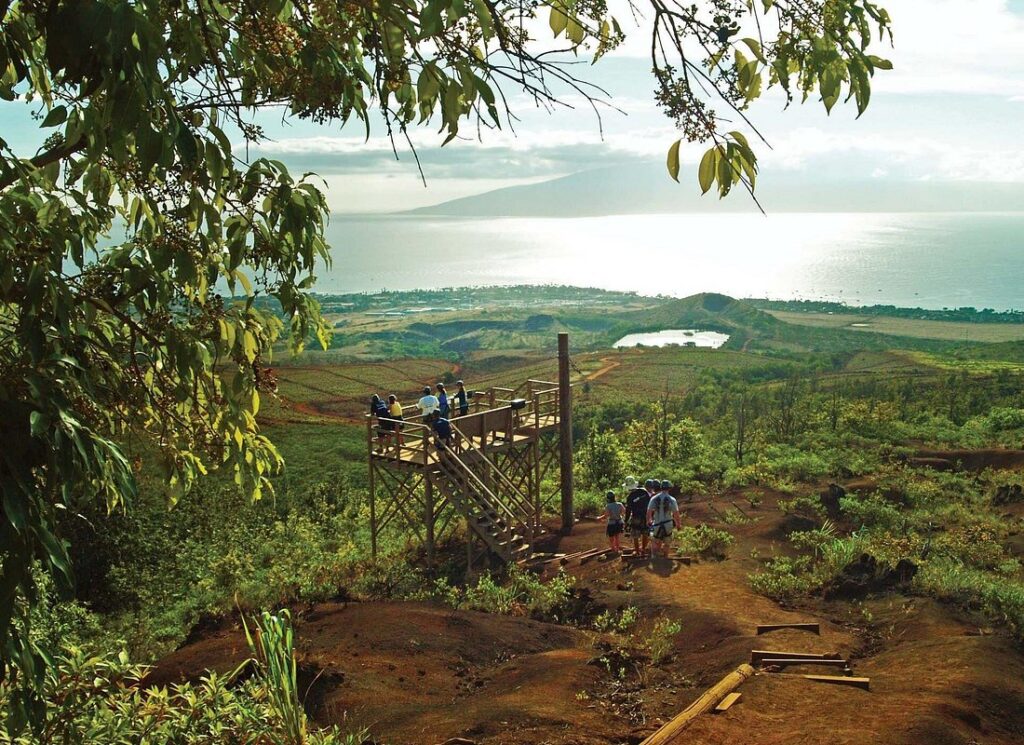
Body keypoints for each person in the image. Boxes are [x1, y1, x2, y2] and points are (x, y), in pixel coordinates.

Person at [647, 479, 680, 558]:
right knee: (667, 543)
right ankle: (665, 558)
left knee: (655, 541)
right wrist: (678, 524)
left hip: (657, 523)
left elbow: (649, 512)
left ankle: (654, 558)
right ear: (669, 488)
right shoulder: (672, 499)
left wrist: (649, 521)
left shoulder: (654, 498)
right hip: (668, 524)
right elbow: (676, 514)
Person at [625, 477, 652, 558]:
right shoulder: (644, 491)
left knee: (635, 535)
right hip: (645, 516)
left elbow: (628, 510)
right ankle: (643, 550)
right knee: (645, 533)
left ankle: (637, 552)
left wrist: (626, 521)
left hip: (636, 517)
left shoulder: (630, 497)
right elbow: (650, 504)